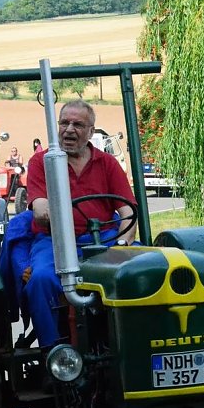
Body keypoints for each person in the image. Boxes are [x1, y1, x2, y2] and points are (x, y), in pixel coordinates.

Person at [23, 100, 137, 348]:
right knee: (41, 279)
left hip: (103, 240)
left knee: (142, 272)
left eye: (78, 124)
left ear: (91, 132)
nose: (69, 130)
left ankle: (136, 345)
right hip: (54, 242)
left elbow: (127, 211)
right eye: (64, 123)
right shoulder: (41, 162)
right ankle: (54, 354)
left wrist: (120, 243)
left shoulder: (106, 163)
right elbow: (41, 209)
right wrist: (56, 217)